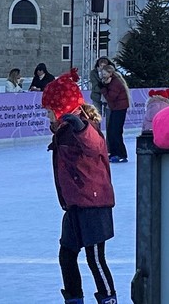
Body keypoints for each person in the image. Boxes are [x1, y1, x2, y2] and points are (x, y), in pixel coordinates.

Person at [44, 71, 116, 304]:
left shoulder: (84, 127)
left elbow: (96, 146)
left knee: (95, 258)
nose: (47, 116)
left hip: (93, 204)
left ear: (62, 109)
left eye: (49, 111)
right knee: (67, 255)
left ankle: (108, 299)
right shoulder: (64, 131)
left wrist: (80, 128)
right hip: (75, 205)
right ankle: (74, 298)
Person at [91, 57, 131, 163]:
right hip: (116, 108)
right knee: (111, 131)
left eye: (104, 74)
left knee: (115, 132)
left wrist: (103, 88)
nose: (102, 77)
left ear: (110, 74)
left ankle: (121, 154)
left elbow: (110, 98)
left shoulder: (115, 83)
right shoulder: (110, 82)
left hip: (120, 108)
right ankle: (114, 153)